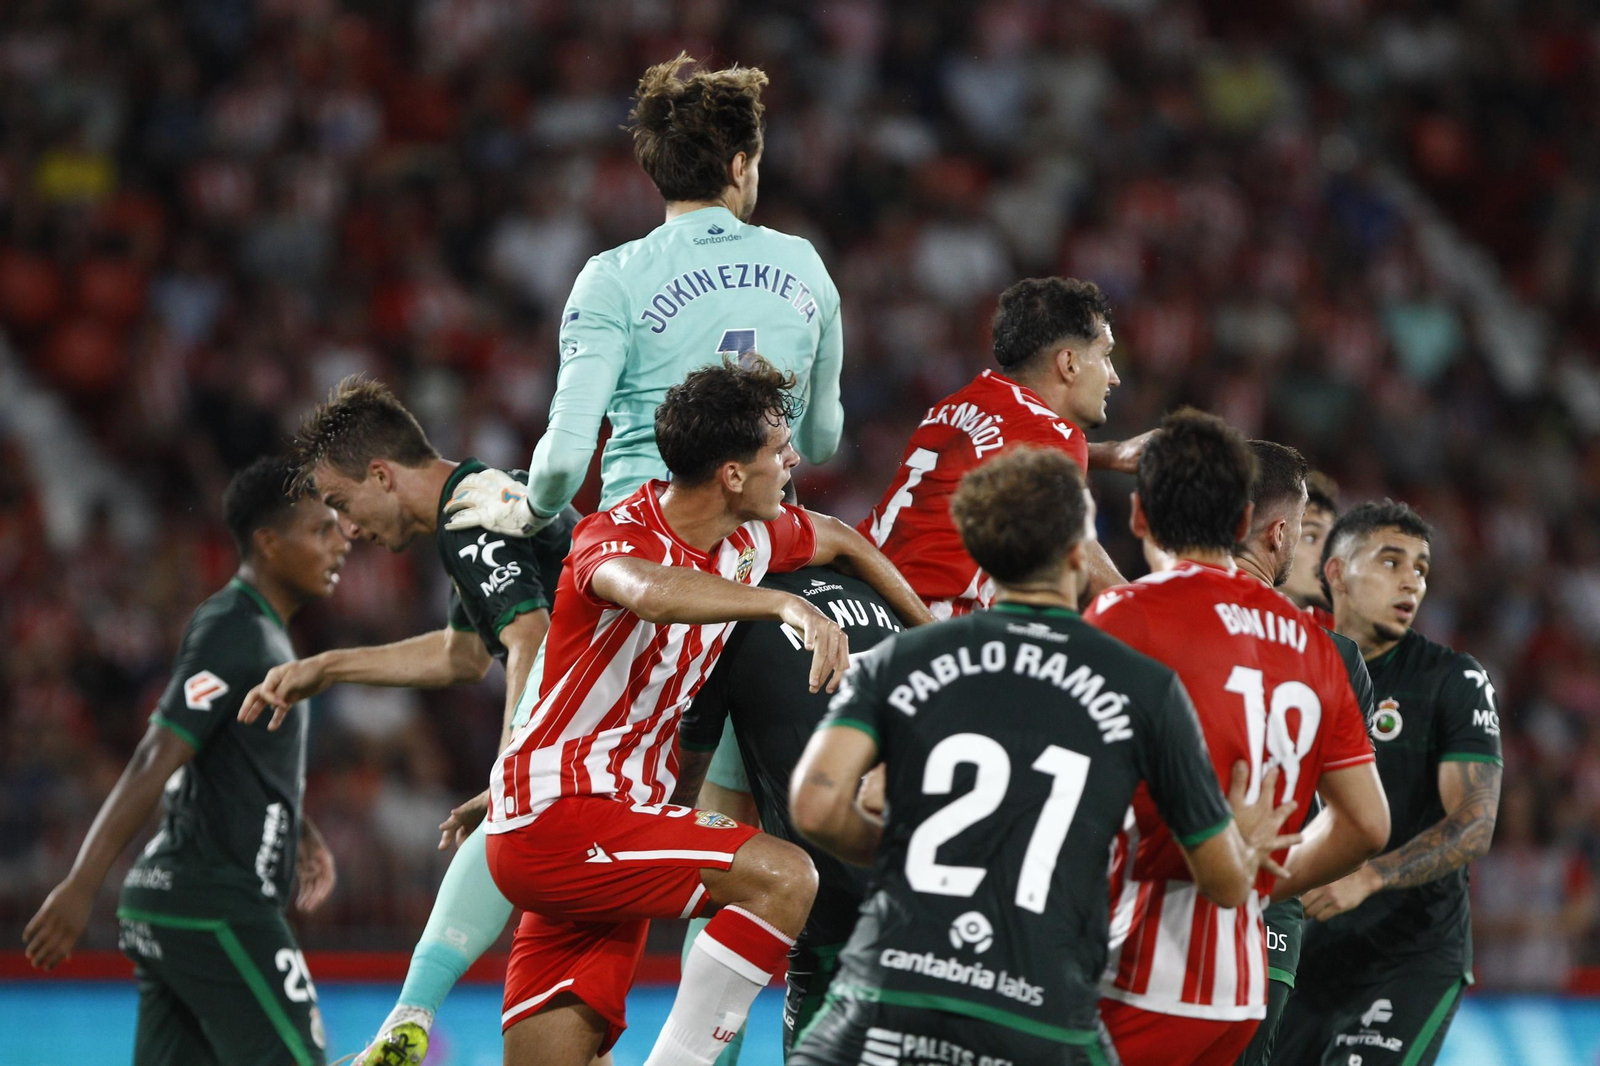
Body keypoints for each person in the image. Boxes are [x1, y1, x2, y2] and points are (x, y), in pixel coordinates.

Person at [483, 358, 932, 1066]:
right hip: (561, 814)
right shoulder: (612, 536)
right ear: (731, 474)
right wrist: (785, 601)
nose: (793, 461)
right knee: (786, 877)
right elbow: (651, 592)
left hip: (615, 827)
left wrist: (929, 634)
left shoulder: (752, 537)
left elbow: (843, 540)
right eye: (778, 449)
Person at [786, 445, 1297, 1066]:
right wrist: (1242, 849)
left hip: (885, 993)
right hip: (1040, 1015)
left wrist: (907, 852)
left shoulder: (904, 657)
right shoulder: (1145, 685)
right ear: (1081, 554)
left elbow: (818, 807)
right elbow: (1220, 880)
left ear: (980, 553)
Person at [233, 377, 580, 1066]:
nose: (350, 531)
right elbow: (459, 656)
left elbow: (529, 635)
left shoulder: (469, 519)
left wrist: (511, 763)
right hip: (635, 715)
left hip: (656, 720)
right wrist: (325, 668)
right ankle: (408, 1018)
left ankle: (406, 1020)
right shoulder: (485, 497)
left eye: (343, 505)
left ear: (383, 476)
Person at [1083, 411, 1389, 1066]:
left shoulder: (1128, 614)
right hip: (1244, 979)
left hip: (1137, 964)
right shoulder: (1317, 647)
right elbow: (1366, 823)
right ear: (1261, 528)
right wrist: (1252, 881)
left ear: (1139, 517)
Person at [23, 457, 350, 1066]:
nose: (342, 543)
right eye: (321, 530)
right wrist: (81, 884)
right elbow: (159, 749)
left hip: (176, 904)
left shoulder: (264, 635)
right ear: (270, 544)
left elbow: (225, 756)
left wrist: (295, 826)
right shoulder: (235, 628)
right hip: (214, 904)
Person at [443, 51, 843, 533]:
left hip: (649, 557)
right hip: (767, 556)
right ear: (739, 167)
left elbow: (565, 462)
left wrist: (525, 513)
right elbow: (821, 441)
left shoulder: (613, 277)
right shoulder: (805, 263)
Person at [1274, 502, 1503, 1066]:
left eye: (1422, 569)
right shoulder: (1296, 662)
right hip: (1308, 952)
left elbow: (1475, 824)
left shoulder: (1454, 679)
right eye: (1391, 561)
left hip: (1409, 957)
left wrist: (1370, 877)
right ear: (1335, 573)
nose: (1411, 581)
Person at [671, 565, 909, 1057]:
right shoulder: (878, 594)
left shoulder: (724, 621)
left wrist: (662, 821)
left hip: (835, 893)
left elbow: (690, 762)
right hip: (933, 884)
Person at [857, 276, 1148, 618]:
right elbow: (1080, 564)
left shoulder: (954, 405)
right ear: (1069, 363)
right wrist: (1157, 614)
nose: (1113, 376)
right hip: (926, 618)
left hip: (867, 599)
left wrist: (1109, 453)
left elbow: (999, 452)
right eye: (1106, 355)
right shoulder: (1052, 432)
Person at [1229, 443, 1378, 1066]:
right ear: (1280, 533)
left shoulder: (1140, 608)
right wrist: (1268, 886)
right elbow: (1363, 822)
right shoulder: (1337, 660)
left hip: (1155, 894)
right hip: (1266, 918)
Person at [1280, 470, 1339, 629]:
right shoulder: (1226, 615)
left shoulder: (1341, 639)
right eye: (1311, 537)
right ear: (1273, 536)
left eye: (1333, 541)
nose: (1328, 553)